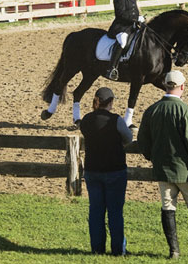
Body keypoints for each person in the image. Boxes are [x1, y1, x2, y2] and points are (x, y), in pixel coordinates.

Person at [137, 70, 188, 259]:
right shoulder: (186, 112)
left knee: (168, 207)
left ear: (165, 85)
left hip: (163, 170)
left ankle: (174, 250)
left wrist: (152, 157)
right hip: (186, 171)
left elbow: (143, 141)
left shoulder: (152, 110)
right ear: (182, 86)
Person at [79, 87, 133, 256]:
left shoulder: (86, 120)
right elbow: (128, 138)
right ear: (110, 102)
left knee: (96, 210)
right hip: (114, 169)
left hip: (92, 169)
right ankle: (118, 249)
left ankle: (97, 248)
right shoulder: (115, 120)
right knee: (115, 212)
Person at [105, 0, 144, 81]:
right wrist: (135, 19)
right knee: (123, 41)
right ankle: (112, 68)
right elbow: (120, 14)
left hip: (131, 26)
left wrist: (140, 18)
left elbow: (134, 11)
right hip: (120, 27)